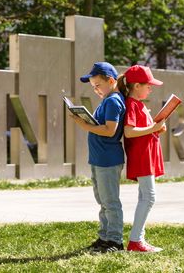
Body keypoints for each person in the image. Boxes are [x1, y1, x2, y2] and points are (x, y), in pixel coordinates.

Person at [70, 62, 126, 253]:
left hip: (108, 160)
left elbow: (110, 130)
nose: (95, 90)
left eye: (98, 85)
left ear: (111, 81)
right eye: (93, 87)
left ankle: (116, 242)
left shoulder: (113, 100)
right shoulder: (106, 99)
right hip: (99, 159)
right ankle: (104, 238)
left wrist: (84, 125)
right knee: (103, 202)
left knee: (110, 202)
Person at [117, 65, 166, 253]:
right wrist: (153, 128)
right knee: (149, 197)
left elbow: (142, 131)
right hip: (142, 157)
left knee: (144, 197)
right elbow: (129, 132)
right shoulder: (131, 104)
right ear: (136, 85)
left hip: (147, 155)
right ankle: (136, 241)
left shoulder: (139, 104)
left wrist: (156, 129)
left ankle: (139, 240)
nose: (151, 88)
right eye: (148, 85)